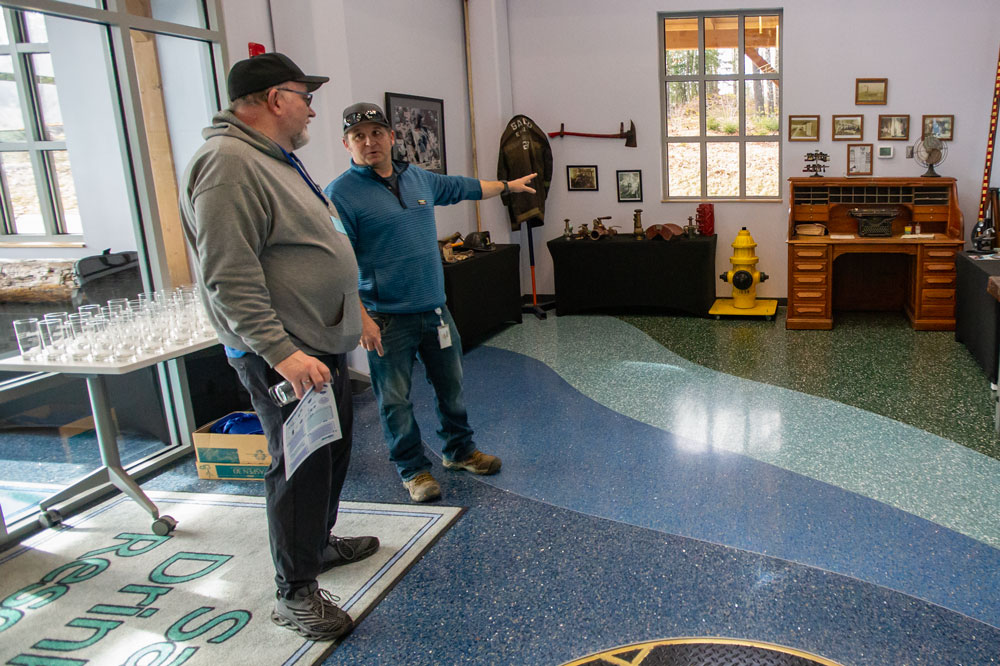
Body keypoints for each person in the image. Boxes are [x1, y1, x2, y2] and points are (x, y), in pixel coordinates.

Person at [179, 53, 378, 642]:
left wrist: (349, 312)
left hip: (318, 344)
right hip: (286, 355)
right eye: (304, 94)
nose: (312, 106)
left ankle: (315, 544)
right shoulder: (227, 164)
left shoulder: (273, 159)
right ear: (273, 99)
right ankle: (295, 592)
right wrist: (279, 351)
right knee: (300, 467)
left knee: (331, 455)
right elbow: (228, 275)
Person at [324, 102, 536, 503]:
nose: (369, 142)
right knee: (395, 400)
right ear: (346, 144)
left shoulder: (418, 178)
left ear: (390, 136)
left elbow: (463, 187)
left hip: (434, 310)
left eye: (375, 133)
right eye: (358, 137)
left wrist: (508, 186)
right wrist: (361, 318)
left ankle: (459, 451)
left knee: (451, 387)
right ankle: (413, 470)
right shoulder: (340, 195)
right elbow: (339, 263)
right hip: (386, 318)